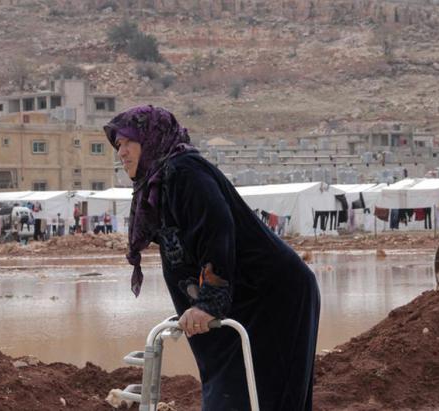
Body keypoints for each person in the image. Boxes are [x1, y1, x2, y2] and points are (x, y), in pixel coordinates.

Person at [104, 106, 320, 411]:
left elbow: (217, 230)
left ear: (151, 138)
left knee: (262, 394)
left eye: (128, 142)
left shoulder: (184, 172)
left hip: (270, 297)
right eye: (118, 146)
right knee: (228, 392)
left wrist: (208, 303)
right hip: (240, 299)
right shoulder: (157, 183)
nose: (121, 152)